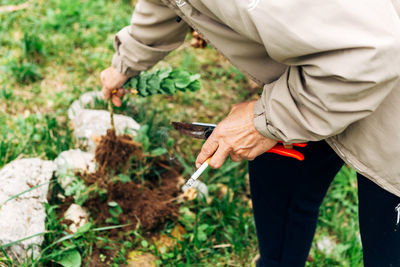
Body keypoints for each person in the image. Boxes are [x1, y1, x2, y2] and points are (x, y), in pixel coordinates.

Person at [100, 0, 400, 266]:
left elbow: (373, 51)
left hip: (384, 97)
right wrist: (128, 60)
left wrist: (267, 119)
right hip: (316, 77)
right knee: (280, 188)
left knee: (388, 247)